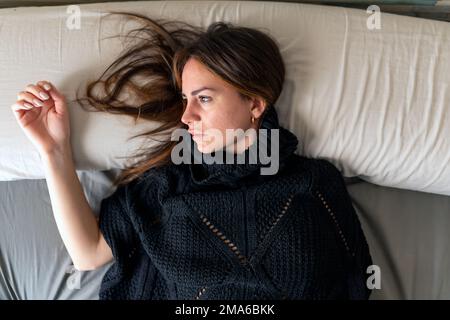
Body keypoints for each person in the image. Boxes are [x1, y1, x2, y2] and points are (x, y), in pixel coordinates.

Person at [11, 13, 372, 300]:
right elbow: (88, 252)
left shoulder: (314, 183)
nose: (186, 117)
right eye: (185, 99)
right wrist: (53, 148)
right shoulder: (167, 185)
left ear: (255, 104)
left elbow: (354, 282)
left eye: (204, 98)